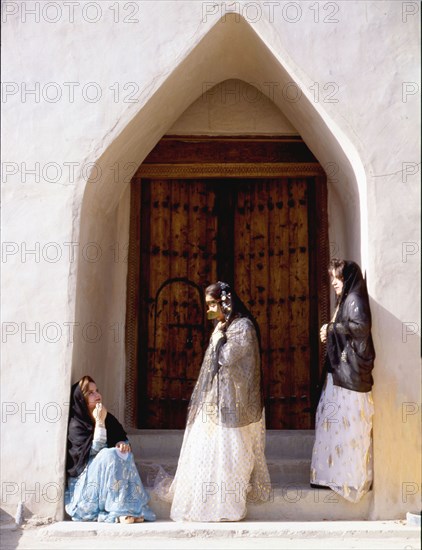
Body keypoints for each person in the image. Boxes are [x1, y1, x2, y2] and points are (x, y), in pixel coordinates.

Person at [161, 281, 271, 522]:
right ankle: (203, 502)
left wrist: (218, 340)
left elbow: (227, 357)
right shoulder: (222, 326)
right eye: (207, 305)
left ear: (225, 302)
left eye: (213, 304)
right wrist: (218, 337)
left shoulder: (242, 326)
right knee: (205, 449)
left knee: (230, 451)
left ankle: (226, 504)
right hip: (215, 397)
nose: (210, 310)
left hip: (233, 401)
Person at [310, 259, 375, 502]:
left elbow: (361, 327)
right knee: (333, 423)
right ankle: (332, 475)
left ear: (347, 278)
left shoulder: (354, 300)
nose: (334, 283)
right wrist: (330, 328)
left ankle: (348, 478)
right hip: (340, 374)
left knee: (347, 426)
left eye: (338, 278)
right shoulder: (345, 300)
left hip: (349, 377)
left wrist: (331, 328)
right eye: (332, 278)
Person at [65, 375, 156, 523]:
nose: (97, 395)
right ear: (81, 398)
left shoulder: (107, 417)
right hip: (85, 486)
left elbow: (121, 438)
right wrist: (99, 424)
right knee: (109, 454)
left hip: (107, 476)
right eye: (90, 393)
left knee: (122, 453)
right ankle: (119, 510)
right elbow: (92, 452)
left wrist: (121, 443)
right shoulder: (76, 424)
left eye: (97, 391)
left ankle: (128, 508)